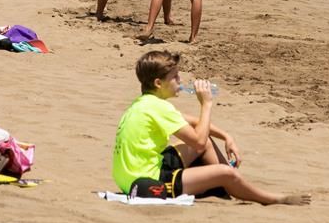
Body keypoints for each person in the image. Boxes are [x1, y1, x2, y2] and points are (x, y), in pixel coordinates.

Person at [112, 50, 311, 205]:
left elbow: (195, 125)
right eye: (175, 77)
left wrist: (227, 136)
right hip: (147, 183)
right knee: (226, 173)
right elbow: (197, 143)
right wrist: (206, 104)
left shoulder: (144, 103)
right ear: (158, 83)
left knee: (207, 142)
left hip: (131, 174)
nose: (180, 81)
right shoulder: (160, 107)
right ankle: (272, 198)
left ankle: (224, 186)